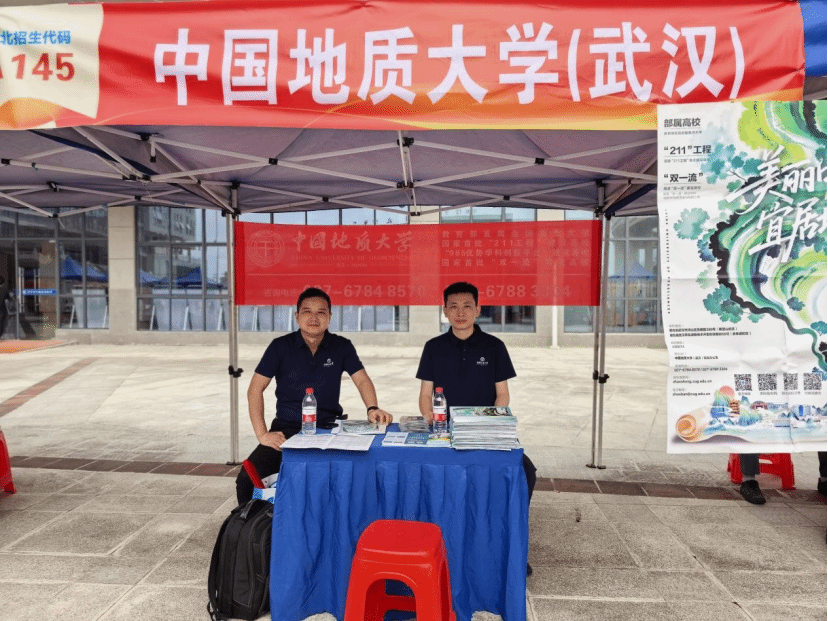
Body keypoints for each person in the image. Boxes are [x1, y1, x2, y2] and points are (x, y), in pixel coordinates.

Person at [415, 281, 537, 575]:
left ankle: (510, 547)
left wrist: (492, 420)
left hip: (485, 430)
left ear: (478, 309)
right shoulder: (433, 347)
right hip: (445, 432)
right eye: (454, 307)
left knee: (525, 471)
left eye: (467, 306)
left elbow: (502, 394)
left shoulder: (494, 346)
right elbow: (425, 395)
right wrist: (429, 414)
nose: (460, 313)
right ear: (445, 310)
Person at [235, 287, 393, 504]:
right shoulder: (280, 347)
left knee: (349, 478)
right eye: (307, 311)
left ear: (330, 316)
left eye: (321, 312)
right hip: (286, 430)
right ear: (297, 316)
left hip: (328, 428)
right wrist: (262, 434)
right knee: (246, 479)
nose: (314, 318)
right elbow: (255, 389)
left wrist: (372, 407)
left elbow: (362, 379)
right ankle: (251, 524)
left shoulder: (341, 346)